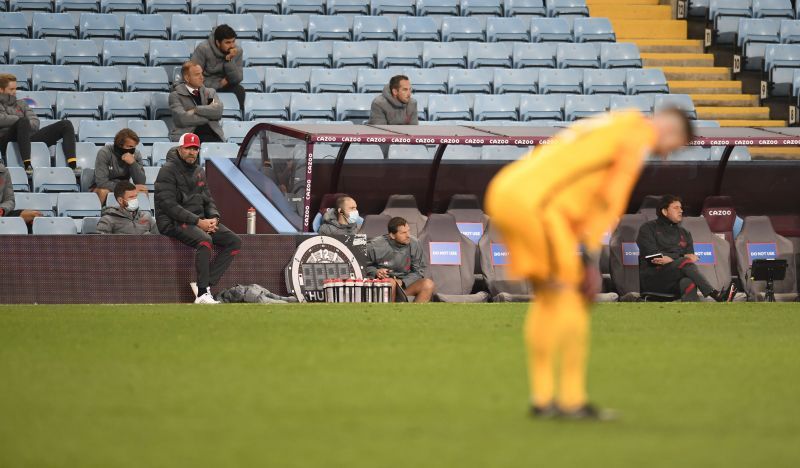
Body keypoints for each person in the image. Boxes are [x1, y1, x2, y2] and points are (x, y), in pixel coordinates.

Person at [485, 108, 694, 420]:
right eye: (674, 148)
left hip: (509, 191)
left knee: (548, 297)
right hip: (539, 205)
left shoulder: (612, 122)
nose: (665, 156)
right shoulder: (636, 136)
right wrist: (588, 257)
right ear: (670, 130)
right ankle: (571, 400)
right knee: (573, 299)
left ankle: (543, 399)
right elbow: (607, 201)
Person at [154, 133, 241, 304]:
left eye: (195, 149)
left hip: (197, 222)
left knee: (234, 241)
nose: (192, 152)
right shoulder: (167, 171)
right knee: (205, 240)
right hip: (173, 221)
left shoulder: (199, 171)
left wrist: (214, 218)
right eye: (188, 148)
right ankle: (201, 294)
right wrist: (198, 222)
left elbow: (208, 200)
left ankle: (205, 285)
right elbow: (169, 206)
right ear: (180, 149)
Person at [637, 194, 735, 302]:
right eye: (676, 208)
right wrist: (679, 258)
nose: (681, 211)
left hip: (674, 281)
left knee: (688, 281)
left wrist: (672, 259)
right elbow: (652, 256)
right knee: (684, 261)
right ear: (664, 211)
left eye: (681, 208)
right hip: (654, 279)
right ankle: (716, 294)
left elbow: (690, 258)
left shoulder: (684, 233)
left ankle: (691, 313)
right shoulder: (647, 228)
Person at [0, 73, 77, 170]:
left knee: (66, 124)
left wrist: (23, 125)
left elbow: (35, 122)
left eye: (16, 88)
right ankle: (27, 165)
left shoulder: (21, 104)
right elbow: (2, 119)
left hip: (26, 138)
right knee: (23, 121)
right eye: (11, 89)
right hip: (5, 141)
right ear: (1, 90)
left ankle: (73, 166)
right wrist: (20, 122)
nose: (15, 92)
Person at [365, 217, 435, 303]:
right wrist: (376, 271)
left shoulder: (414, 243)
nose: (408, 235)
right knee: (391, 282)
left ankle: (414, 315)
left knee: (428, 284)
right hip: (384, 284)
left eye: (408, 231)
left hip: (405, 284)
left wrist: (402, 282)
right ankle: (389, 314)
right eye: (403, 233)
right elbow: (362, 266)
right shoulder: (374, 246)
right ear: (392, 235)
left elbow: (419, 271)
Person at [190, 24, 245, 110]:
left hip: (226, 85)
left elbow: (237, 79)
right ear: (218, 42)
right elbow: (193, 77)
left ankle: (238, 117)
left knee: (239, 90)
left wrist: (229, 60)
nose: (232, 46)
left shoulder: (237, 51)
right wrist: (218, 84)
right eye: (227, 42)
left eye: (233, 41)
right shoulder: (203, 49)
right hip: (206, 86)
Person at [169, 61, 224, 143]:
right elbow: (182, 119)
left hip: (214, 136)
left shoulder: (210, 93)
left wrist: (195, 110)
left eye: (201, 74)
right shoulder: (175, 95)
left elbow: (217, 112)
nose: (202, 77)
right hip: (189, 138)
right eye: (197, 74)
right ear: (187, 78)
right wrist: (209, 116)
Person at [92, 128, 147, 205]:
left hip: (124, 187)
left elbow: (141, 181)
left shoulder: (136, 154)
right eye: (130, 146)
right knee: (102, 191)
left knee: (143, 189)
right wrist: (124, 188)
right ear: (119, 146)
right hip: (106, 187)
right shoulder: (104, 152)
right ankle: (100, 215)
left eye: (134, 147)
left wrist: (133, 163)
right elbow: (101, 182)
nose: (132, 150)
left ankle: (140, 215)